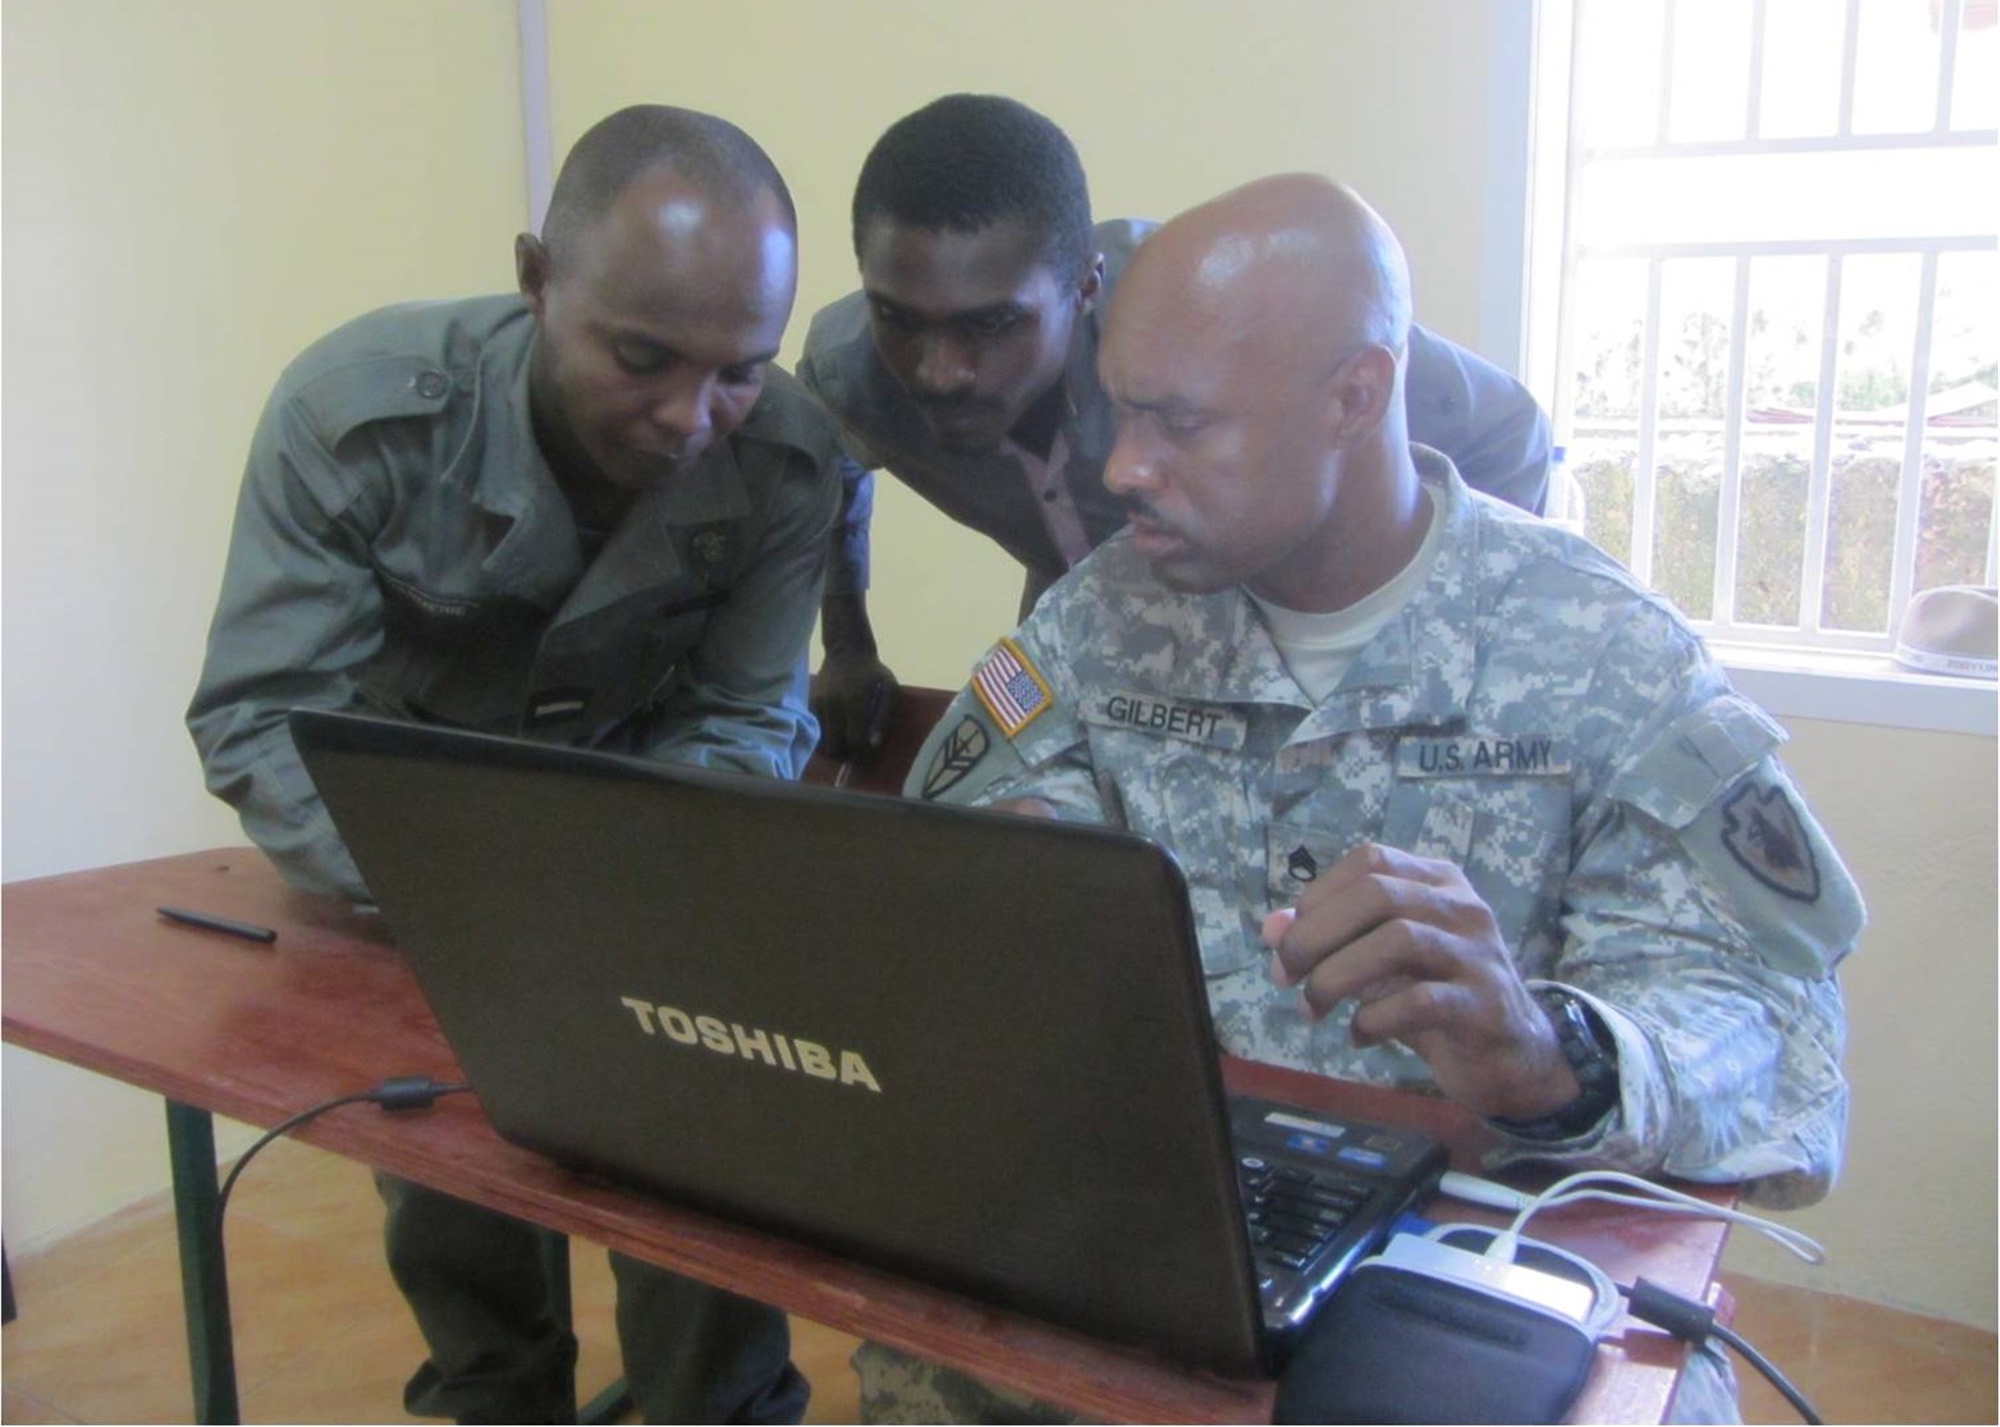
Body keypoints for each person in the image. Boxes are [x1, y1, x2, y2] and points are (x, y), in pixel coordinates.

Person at [876, 175, 1864, 1422]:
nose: (1123, 466)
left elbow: (1767, 1029)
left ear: (1354, 397)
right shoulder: (1100, 622)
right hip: (1163, 1235)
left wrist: (1545, 1054)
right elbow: (964, 833)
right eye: (1118, 411)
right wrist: (1003, 886)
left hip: (1478, 1269)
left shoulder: (1602, 653)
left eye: (1181, 424)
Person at [187, 106, 837, 1424]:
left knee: (699, 1141)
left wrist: (624, 882)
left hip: (652, 851)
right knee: (442, 1151)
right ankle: (495, 1392)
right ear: (539, 277)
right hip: (405, 857)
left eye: (737, 370)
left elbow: (744, 710)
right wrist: (465, 888)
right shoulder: (356, 418)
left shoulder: (788, 460)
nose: (688, 418)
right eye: (644, 357)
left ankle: (713, 1407)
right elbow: (263, 713)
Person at [799, 93, 1553, 762]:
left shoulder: (1202, 316)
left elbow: (1505, 431)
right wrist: (847, 642)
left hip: (1272, 628)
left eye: (991, 325)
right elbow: (825, 469)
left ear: (1086, 288)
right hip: (1087, 616)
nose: (939, 372)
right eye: (899, 321)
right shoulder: (850, 368)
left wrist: (1450, 643)